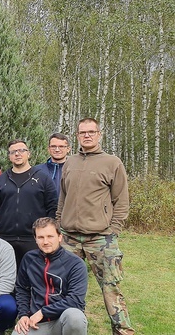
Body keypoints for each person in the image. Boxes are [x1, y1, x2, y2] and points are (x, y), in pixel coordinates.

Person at [56, 117, 134, 335]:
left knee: (110, 288)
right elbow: (63, 196)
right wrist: (58, 222)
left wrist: (114, 230)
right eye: (82, 132)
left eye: (91, 132)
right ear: (77, 136)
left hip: (101, 238)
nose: (87, 135)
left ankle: (122, 330)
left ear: (99, 134)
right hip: (69, 237)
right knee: (63, 287)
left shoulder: (112, 163)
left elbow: (122, 200)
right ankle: (64, 328)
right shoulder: (70, 162)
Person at [13, 217, 88, 335]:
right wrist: (23, 314)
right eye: (41, 237)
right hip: (36, 323)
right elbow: (22, 289)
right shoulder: (29, 259)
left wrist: (43, 312)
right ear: (35, 239)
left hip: (63, 320)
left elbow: (75, 300)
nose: (45, 242)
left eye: (50, 236)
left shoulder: (76, 264)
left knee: (75, 317)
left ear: (60, 237)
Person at [0, 140, 57, 268]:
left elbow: (53, 206)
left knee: (34, 277)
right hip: (6, 239)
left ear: (29, 154)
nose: (17, 154)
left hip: (33, 239)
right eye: (13, 152)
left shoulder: (43, 178)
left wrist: (47, 232)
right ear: (9, 156)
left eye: (21, 150)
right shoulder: (2, 179)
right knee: (8, 279)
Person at [34, 133, 71, 197]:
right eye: (53, 146)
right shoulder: (36, 171)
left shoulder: (74, 170)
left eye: (61, 146)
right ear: (48, 149)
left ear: (68, 149)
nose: (57, 150)